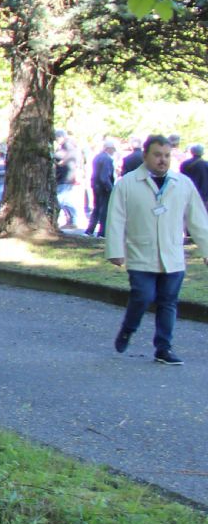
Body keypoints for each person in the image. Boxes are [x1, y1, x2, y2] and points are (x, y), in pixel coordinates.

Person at [107, 136, 208, 366]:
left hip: (172, 256)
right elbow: (115, 219)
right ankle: (128, 328)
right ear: (145, 156)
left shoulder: (182, 184)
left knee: (168, 302)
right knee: (142, 296)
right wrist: (115, 250)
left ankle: (163, 348)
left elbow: (198, 220)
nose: (162, 160)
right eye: (157, 155)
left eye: (166, 155)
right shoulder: (127, 184)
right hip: (141, 254)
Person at [87, 140, 118, 238]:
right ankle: (102, 232)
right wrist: (111, 188)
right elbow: (104, 176)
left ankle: (90, 230)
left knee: (96, 208)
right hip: (104, 188)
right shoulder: (107, 159)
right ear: (108, 149)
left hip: (96, 186)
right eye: (113, 149)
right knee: (104, 210)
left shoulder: (97, 157)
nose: (114, 151)